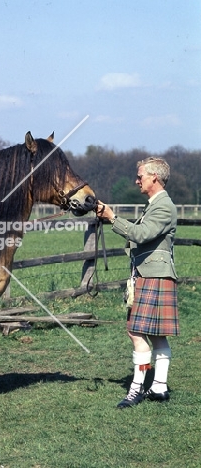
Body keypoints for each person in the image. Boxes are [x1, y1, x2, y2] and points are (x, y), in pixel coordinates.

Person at [96, 157, 179, 409]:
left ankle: (136, 389)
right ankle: (159, 387)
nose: (136, 180)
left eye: (140, 176)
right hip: (150, 274)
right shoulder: (155, 205)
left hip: (153, 275)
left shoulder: (164, 206)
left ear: (154, 177)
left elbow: (142, 235)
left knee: (135, 331)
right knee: (155, 335)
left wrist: (113, 219)